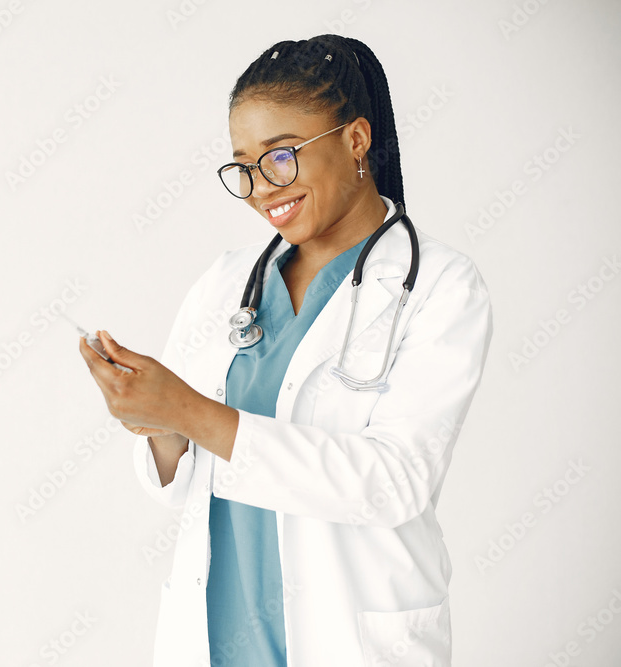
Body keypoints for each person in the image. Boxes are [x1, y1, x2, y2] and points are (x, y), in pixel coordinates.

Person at [78, 34, 492, 667]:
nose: (261, 188)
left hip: (349, 640)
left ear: (356, 140)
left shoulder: (440, 286)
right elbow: (178, 484)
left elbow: (394, 483)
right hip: (218, 634)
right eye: (244, 167)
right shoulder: (226, 281)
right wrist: (158, 423)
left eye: (280, 156)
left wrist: (189, 411)